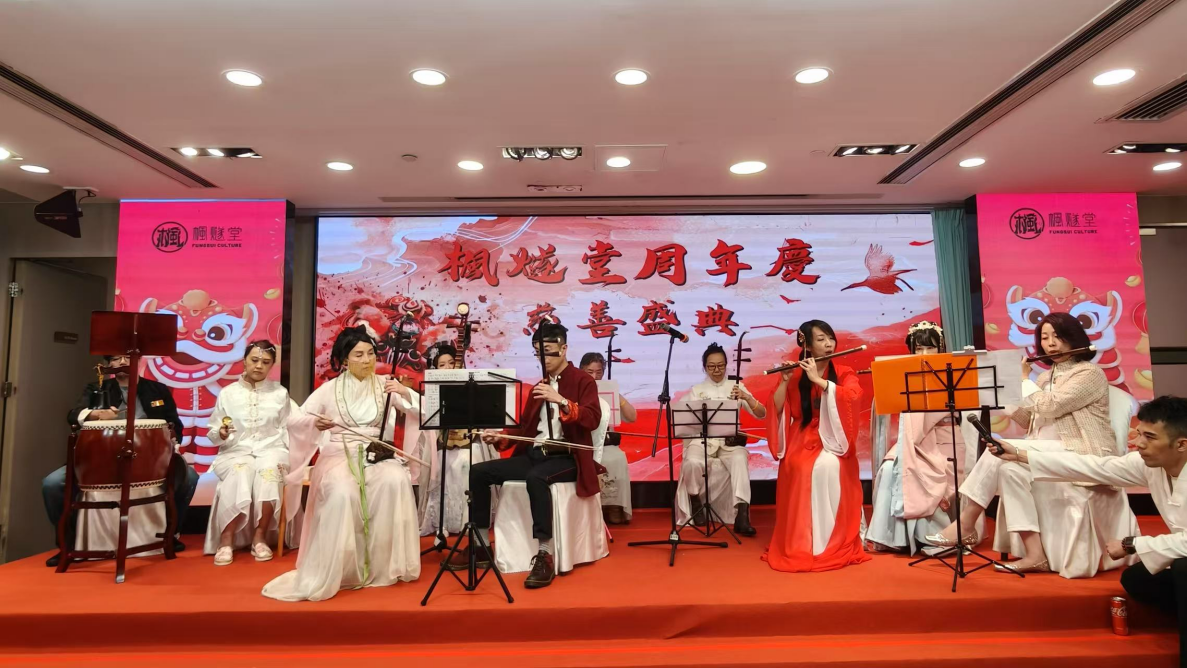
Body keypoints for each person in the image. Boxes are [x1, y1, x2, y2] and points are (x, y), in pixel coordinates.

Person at [993, 396, 1187, 663]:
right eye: (1140, 433)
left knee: (1182, 569)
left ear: (1181, 444)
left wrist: (1132, 544)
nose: (1139, 443)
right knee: (1137, 580)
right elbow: (1094, 467)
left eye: (1150, 437)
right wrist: (1021, 455)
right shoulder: (1149, 465)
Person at [931, 312, 1119, 574]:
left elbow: (1050, 406)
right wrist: (1003, 391)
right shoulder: (1044, 378)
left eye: (1057, 336)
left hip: (1080, 451)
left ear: (1073, 338)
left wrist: (1022, 380)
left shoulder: (1089, 374)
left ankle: (966, 522)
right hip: (1045, 452)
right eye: (1044, 337)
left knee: (997, 451)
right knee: (1009, 470)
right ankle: (1035, 554)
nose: (1050, 344)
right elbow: (1028, 420)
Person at [262, 325, 421, 602]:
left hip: (376, 453)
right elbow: (296, 420)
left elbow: (424, 409)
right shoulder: (329, 389)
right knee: (342, 492)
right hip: (338, 453)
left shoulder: (386, 385)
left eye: (370, 353)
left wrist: (405, 393)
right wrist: (315, 422)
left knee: (395, 480)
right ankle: (343, 568)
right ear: (345, 360)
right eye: (358, 355)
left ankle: (383, 566)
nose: (367, 360)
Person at [464, 323, 602, 589]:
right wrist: (501, 436)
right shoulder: (540, 385)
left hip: (567, 457)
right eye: (539, 353)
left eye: (548, 352)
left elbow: (592, 418)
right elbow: (526, 427)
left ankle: (544, 553)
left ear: (564, 348)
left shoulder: (582, 381)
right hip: (535, 453)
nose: (543, 359)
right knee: (479, 472)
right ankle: (481, 545)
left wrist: (561, 400)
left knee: (536, 478)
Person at [43, 354, 198, 567]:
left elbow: (175, 426)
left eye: (128, 357)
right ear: (109, 365)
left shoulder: (157, 389)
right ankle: (67, 545)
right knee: (52, 484)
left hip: (150, 460)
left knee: (190, 477)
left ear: (139, 360)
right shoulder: (97, 387)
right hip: (101, 459)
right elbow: (73, 415)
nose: (123, 362)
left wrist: (170, 444)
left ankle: (169, 535)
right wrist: (96, 415)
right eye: (117, 358)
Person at [761, 320, 868, 572]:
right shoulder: (796, 373)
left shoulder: (843, 371)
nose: (829, 344)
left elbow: (853, 396)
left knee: (828, 466)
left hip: (833, 438)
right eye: (821, 339)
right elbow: (776, 408)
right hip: (802, 436)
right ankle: (804, 542)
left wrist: (820, 381)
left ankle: (830, 539)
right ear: (807, 346)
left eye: (830, 338)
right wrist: (784, 381)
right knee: (799, 468)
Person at [866, 321, 967, 553]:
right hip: (915, 439)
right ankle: (893, 538)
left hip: (945, 439)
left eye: (930, 348)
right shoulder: (907, 375)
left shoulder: (953, 374)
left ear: (941, 348)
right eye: (919, 349)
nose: (924, 354)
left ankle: (934, 536)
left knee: (918, 471)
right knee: (890, 468)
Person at [204, 340, 296, 565]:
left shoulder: (280, 393)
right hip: (235, 451)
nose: (259, 366)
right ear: (244, 361)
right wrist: (221, 433)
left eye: (266, 362)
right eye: (254, 360)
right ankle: (226, 540)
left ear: (272, 365)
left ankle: (260, 537)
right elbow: (213, 431)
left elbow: (288, 426)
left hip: (272, 448)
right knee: (241, 470)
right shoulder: (228, 393)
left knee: (269, 471)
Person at [676, 343, 766, 536]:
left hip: (729, 443)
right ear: (704, 367)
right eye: (711, 366)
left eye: (720, 365)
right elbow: (681, 418)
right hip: (703, 441)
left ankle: (742, 514)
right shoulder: (697, 390)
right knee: (691, 461)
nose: (716, 370)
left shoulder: (736, 387)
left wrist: (746, 397)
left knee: (740, 458)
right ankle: (695, 500)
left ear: (726, 365)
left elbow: (762, 414)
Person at [417, 342, 498, 537]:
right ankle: (442, 522)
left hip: (470, 442)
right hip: (444, 445)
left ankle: (469, 520)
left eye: (451, 363)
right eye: (442, 365)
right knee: (442, 465)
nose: (447, 368)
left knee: (467, 463)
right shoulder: (433, 391)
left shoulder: (471, 386)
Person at [579, 352, 636, 525]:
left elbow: (632, 417)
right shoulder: (576, 389)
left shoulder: (608, 391)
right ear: (581, 371)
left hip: (606, 443)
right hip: (584, 443)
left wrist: (616, 395)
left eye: (599, 372)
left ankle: (614, 505)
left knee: (617, 457)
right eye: (589, 372)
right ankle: (594, 506)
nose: (594, 376)